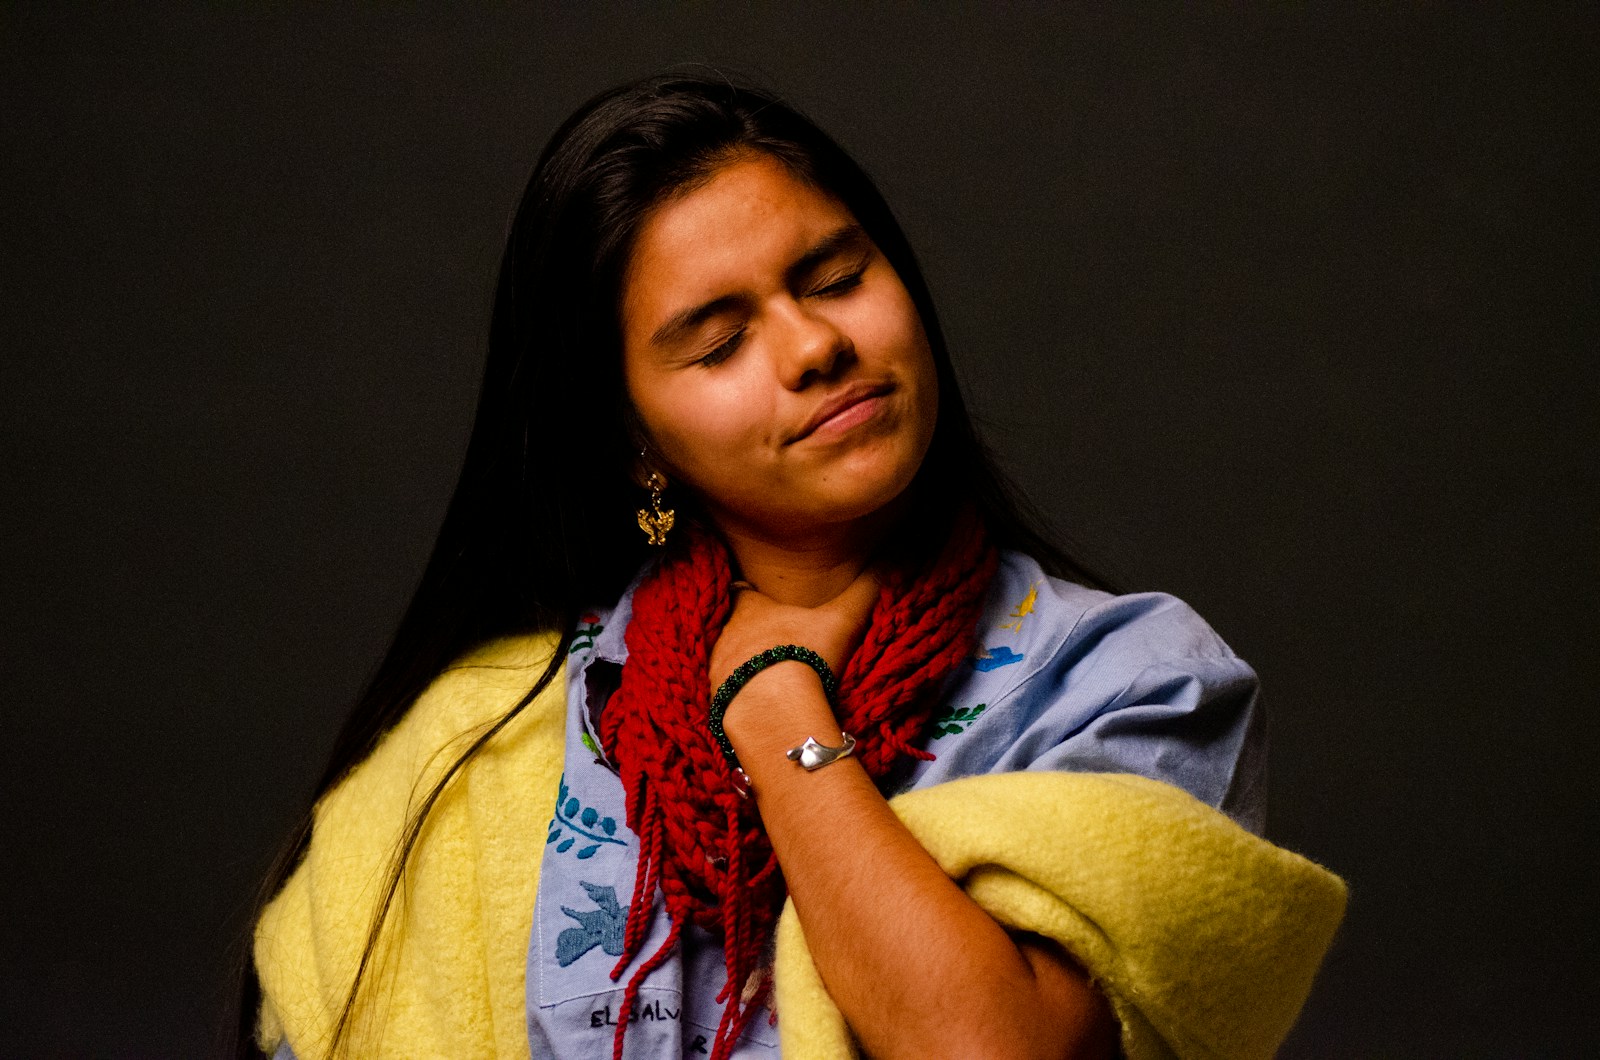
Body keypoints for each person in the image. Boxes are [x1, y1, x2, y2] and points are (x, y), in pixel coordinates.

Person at [243, 73, 1344, 1060]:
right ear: (633, 440)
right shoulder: (476, 741)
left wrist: (774, 707)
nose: (816, 345)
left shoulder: (1130, 682)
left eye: (835, 277)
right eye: (720, 343)